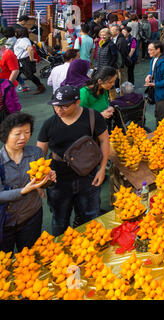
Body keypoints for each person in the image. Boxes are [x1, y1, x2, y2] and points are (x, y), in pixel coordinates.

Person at [37, 85, 109, 236]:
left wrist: (102, 169)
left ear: (77, 102)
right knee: (60, 220)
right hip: (59, 181)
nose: (59, 110)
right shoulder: (49, 124)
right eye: (56, 106)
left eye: (64, 106)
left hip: (88, 176)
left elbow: (104, 141)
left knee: (91, 216)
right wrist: (38, 181)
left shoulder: (92, 117)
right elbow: (39, 156)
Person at [0, 112, 56, 252]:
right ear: (6, 134)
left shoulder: (35, 153)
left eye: (27, 132)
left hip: (31, 215)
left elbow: (42, 183)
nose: (23, 137)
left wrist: (48, 180)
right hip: (5, 221)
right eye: (17, 133)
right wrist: (24, 190)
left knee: (30, 255)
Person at [145, 41, 164, 124]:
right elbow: (153, 71)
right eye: (148, 50)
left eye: (151, 50)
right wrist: (149, 75)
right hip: (158, 93)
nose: (149, 52)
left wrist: (155, 84)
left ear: (158, 50)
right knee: (159, 114)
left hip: (163, 94)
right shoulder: (153, 60)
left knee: (162, 117)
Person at [14, 28, 45, 95]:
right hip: (20, 60)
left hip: (24, 60)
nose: (15, 33)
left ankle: (40, 86)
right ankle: (21, 86)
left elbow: (30, 49)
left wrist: (31, 59)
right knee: (16, 74)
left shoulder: (23, 40)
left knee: (29, 75)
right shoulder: (21, 40)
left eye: (16, 32)